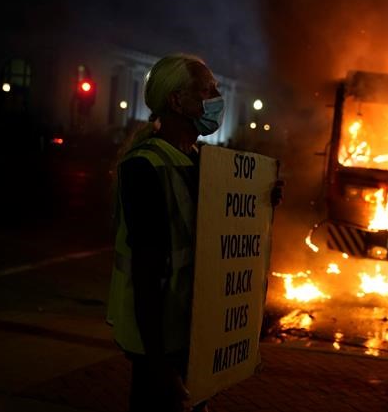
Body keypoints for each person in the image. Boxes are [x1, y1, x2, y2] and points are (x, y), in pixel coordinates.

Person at [106, 54, 282, 412]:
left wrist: (263, 199)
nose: (218, 96)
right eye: (207, 89)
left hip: (187, 329)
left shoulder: (202, 161)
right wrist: (158, 364)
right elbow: (146, 270)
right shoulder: (145, 166)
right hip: (157, 339)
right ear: (176, 100)